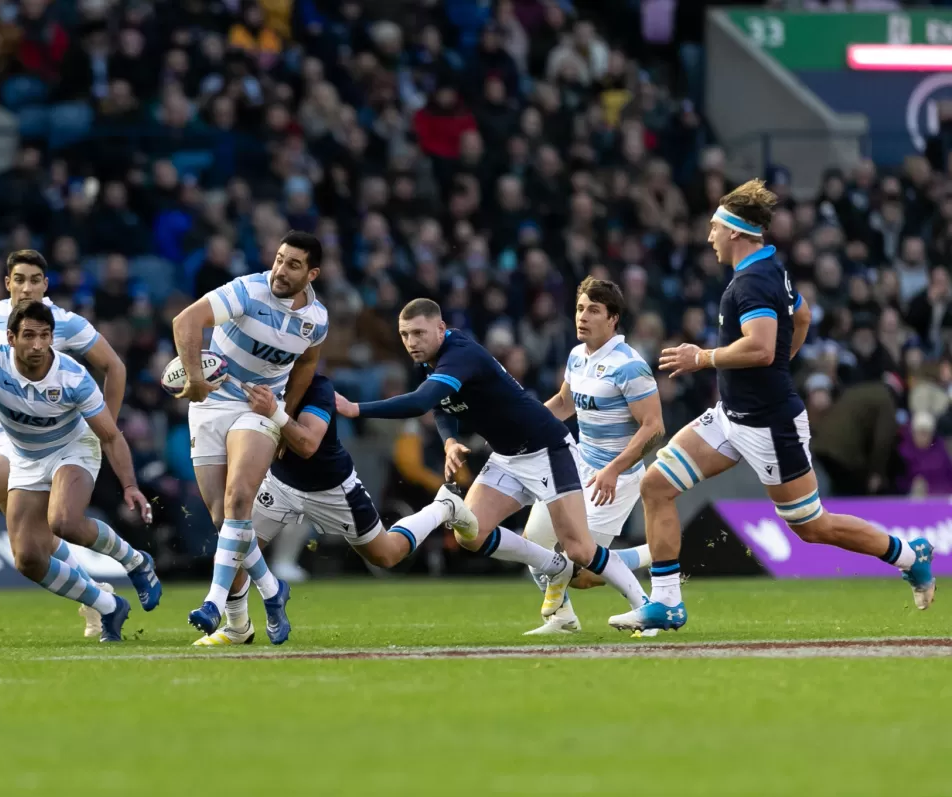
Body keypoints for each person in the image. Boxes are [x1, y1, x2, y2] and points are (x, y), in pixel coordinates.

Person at [611, 180, 936, 633]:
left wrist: (702, 357)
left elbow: (761, 349)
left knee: (812, 526)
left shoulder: (753, 282)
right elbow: (801, 316)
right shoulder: (771, 271)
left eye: (714, 228)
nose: (709, 237)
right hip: (732, 416)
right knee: (656, 486)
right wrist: (779, 362)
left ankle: (907, 554)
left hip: (770, 426)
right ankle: (667, 603)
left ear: (737, 234)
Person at [334, 299, 650, 616]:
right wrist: (450, 442)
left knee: (580, 550)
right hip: (507, 456)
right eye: (405, 335)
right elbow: (440, 406)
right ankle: (553, 568)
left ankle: (646, 603)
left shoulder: (459, 354)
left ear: (441, 328)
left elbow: (421, 402)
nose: (412, 342)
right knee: (470, 533)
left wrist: (355, 408)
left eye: (419, 333)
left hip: (546, 449)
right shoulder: (432, 358)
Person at [0, 300, 160, 642]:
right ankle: (107, 604)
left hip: (72, 449)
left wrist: (129, 485)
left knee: (64, 522)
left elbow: (111, 436)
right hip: (25, 456)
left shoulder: (72, 376)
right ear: (11, 337)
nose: (38, 344)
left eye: (45, 336)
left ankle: (134, 560)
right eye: (29, 335)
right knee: (27, 558)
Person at [194, 372, 465, 645]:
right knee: (234, 543)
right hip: (279, 484)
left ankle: (442, 507)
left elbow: (308, 444)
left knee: (387, 556)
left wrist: (274, 413)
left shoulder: (317, 386)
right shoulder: (255, 376)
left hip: (332, 490)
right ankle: (238, 626)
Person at [171, 231, 327, 643]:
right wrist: (195, 378)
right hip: (209, 405)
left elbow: (307, 363)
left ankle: (214, 603)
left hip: (257, 410)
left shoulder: (317, 320)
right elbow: (186, 321)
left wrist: (283, 414)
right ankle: (269, 595)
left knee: (238, 499)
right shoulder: (248, 289)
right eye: (278, 259)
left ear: (312, 273)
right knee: (226, 521)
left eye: (293, 264)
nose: (280, 269)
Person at [524, 277, 661, 636]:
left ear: (613, 318)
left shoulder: (630, 365)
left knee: (582, 570)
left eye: (594, 310)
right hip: (577, 464)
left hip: (617, 475)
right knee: (533, 547)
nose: (583, 317)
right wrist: (521, 424)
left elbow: (654, 426)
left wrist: (614, 470)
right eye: (580, 308)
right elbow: (565, 404)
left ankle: (648, 573)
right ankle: (563, 619)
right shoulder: (576, 356)